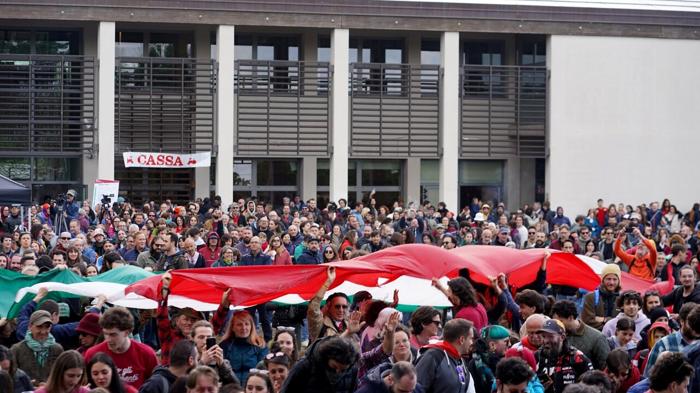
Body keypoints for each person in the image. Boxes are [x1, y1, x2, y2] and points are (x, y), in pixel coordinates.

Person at [84, 307, 159, 389]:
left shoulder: (147, 354)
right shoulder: (93, 354)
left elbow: (156, 385)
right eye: (106, 334)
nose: (108, 339)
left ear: (127, 332)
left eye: (113, 335)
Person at [280, 336, 360, 393]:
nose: (338, 372)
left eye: (343, 370)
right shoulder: (305, 366)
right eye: (334, 367)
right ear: (327, 357)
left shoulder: (352, 370)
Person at [415, 318, 476, 393]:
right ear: (462, 340)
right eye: (471, 338)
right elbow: (416, 388)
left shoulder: (460, 360)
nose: (472, 343)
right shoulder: (432, 356)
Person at [157, 271, 204, 365]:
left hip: (192, 378)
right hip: (169, 378)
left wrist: (224, 306)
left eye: (193, 320)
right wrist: (164, 289)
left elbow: (216, 324)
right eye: (186, 319)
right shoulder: (168, 335)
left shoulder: (202, 338)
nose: (189, 323)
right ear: (177, 321)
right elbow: (161, 314)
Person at [535, 319, 593, 393]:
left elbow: (591, 387)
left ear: (562, 337)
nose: (546, 341)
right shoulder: (537, 357)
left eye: (550, 336)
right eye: (543, 336)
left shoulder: (578, 358)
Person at [643, 302, 700, 377]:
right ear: (682, 321)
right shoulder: (663, 345)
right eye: (691, 322)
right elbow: (648, 378)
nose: (695, 326)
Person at [552, 300, 609, 371]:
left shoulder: (597, 338)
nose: (557, 325)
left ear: (570, 318)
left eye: (560, 321)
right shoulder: (554, 335)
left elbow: (605, 368)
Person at [306, 266, 358, 343]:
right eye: (337, 306)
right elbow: (313, 308)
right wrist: (328, 282)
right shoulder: (320, 324)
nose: (341, 310)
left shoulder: (349, 325)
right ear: (328, 307)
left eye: (344, 307)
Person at [11, 310, 63, 384]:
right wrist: (28, 384)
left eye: (47, 327)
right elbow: (11, 377)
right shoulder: (16, 349)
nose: (43, 331)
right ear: (30, 326)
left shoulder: (57, 349)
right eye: (39, 327)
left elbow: (62, 376)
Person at [217, 310, 268, 384]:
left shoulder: (260, 345)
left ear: (251, 326)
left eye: (247, 324)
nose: (244, 328)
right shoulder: (224, 346)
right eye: (239, 324)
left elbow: (264, 370)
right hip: (230, 387)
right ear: (233, 328)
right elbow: (221, 371)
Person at [190, 320, 239, 387]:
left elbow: (236, 386)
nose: (205, 341)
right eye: (201, 337)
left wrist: (222, 365)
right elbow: (186, 384)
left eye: (209, 337)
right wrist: (202, 363)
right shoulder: (189, 361)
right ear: (193, 339)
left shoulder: (221, 361)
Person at [468, 325, 510, 393]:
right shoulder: (475, 365)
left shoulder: (474, 361)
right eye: (506, 341)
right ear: (492, 345)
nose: (510, 344)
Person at [581, 264, 622, 330]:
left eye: (615, 279)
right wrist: (611, 327)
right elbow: (588, 321)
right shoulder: (591, 297)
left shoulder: (622, 299)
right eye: (608, 279)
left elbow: (624, 322)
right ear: (602, 280)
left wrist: (604, 319)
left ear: (619, 281)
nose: (611, 282)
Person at [355, 361, 423, 393]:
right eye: (402, 391)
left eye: (411, 391)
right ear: (390, 379)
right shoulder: (368, 390)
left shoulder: (417, 389)